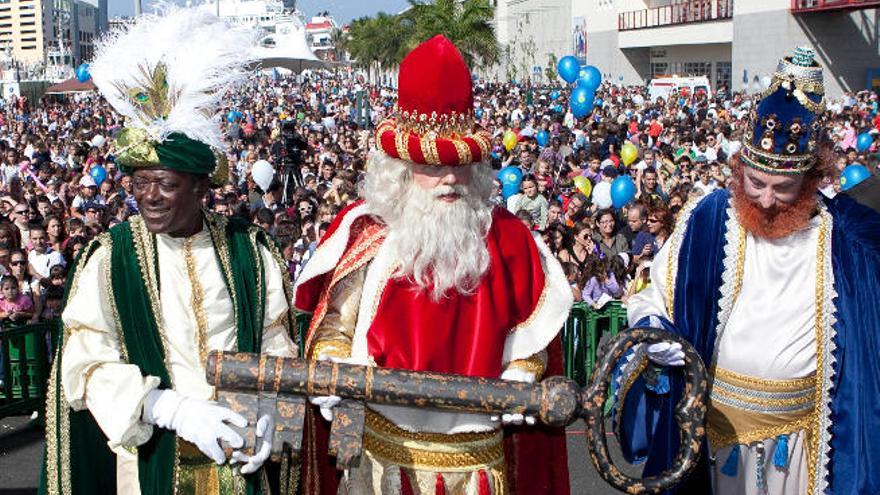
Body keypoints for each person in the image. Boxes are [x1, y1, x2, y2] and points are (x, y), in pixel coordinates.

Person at [293, 36, 573, 495]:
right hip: (384, 461)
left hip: (476, 464)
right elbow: (333, 329)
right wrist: (330, 373)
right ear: (400, 166)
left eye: (458, 164)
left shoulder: (511, 241)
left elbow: (534, 336)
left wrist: (523, 374)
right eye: (431, 164)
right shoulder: (367, 234)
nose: (448, 178)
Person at [41, 8, 297, 494]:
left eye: (165, 183)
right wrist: (167, 408)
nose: (149, 196)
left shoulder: (250, 251)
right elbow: (84, 359)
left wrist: (271, 414)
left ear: (202, 187)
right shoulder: (110, 258)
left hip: (241, 466)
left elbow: (276, 341)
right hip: (150, 465)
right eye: (139, 183)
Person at [614, 47, 880, 494]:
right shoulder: (710, 218)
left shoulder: (844, 242)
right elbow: (650, 297)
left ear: (811, 179)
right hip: (713, 440)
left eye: (784, 188)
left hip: (800, 446)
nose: (767, 200)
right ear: (741, 170)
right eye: (756, 183)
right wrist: (656, 332)